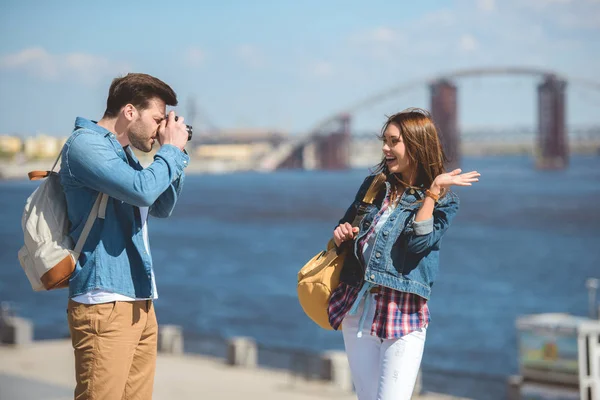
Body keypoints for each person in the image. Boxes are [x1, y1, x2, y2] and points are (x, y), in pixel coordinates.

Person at [327, 108, 480, 400]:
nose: (385, 148)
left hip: (403, 313)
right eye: (384, 140)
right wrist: (342, 234)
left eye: (394, 141)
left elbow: (418, 245)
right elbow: (345, 228)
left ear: (416, 145)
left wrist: (432, 194)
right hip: (358, 307)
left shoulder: (445, 202)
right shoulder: (374, 185)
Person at [59, 73, 190, 399]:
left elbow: (160, 204)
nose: (161, 127)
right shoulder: (85, 145)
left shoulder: (122, 153)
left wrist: (173, 153)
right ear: (130, 111)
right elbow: (142, 190)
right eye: (157, 119)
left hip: (139, 302)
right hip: (104, 302)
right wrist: (171, 149)